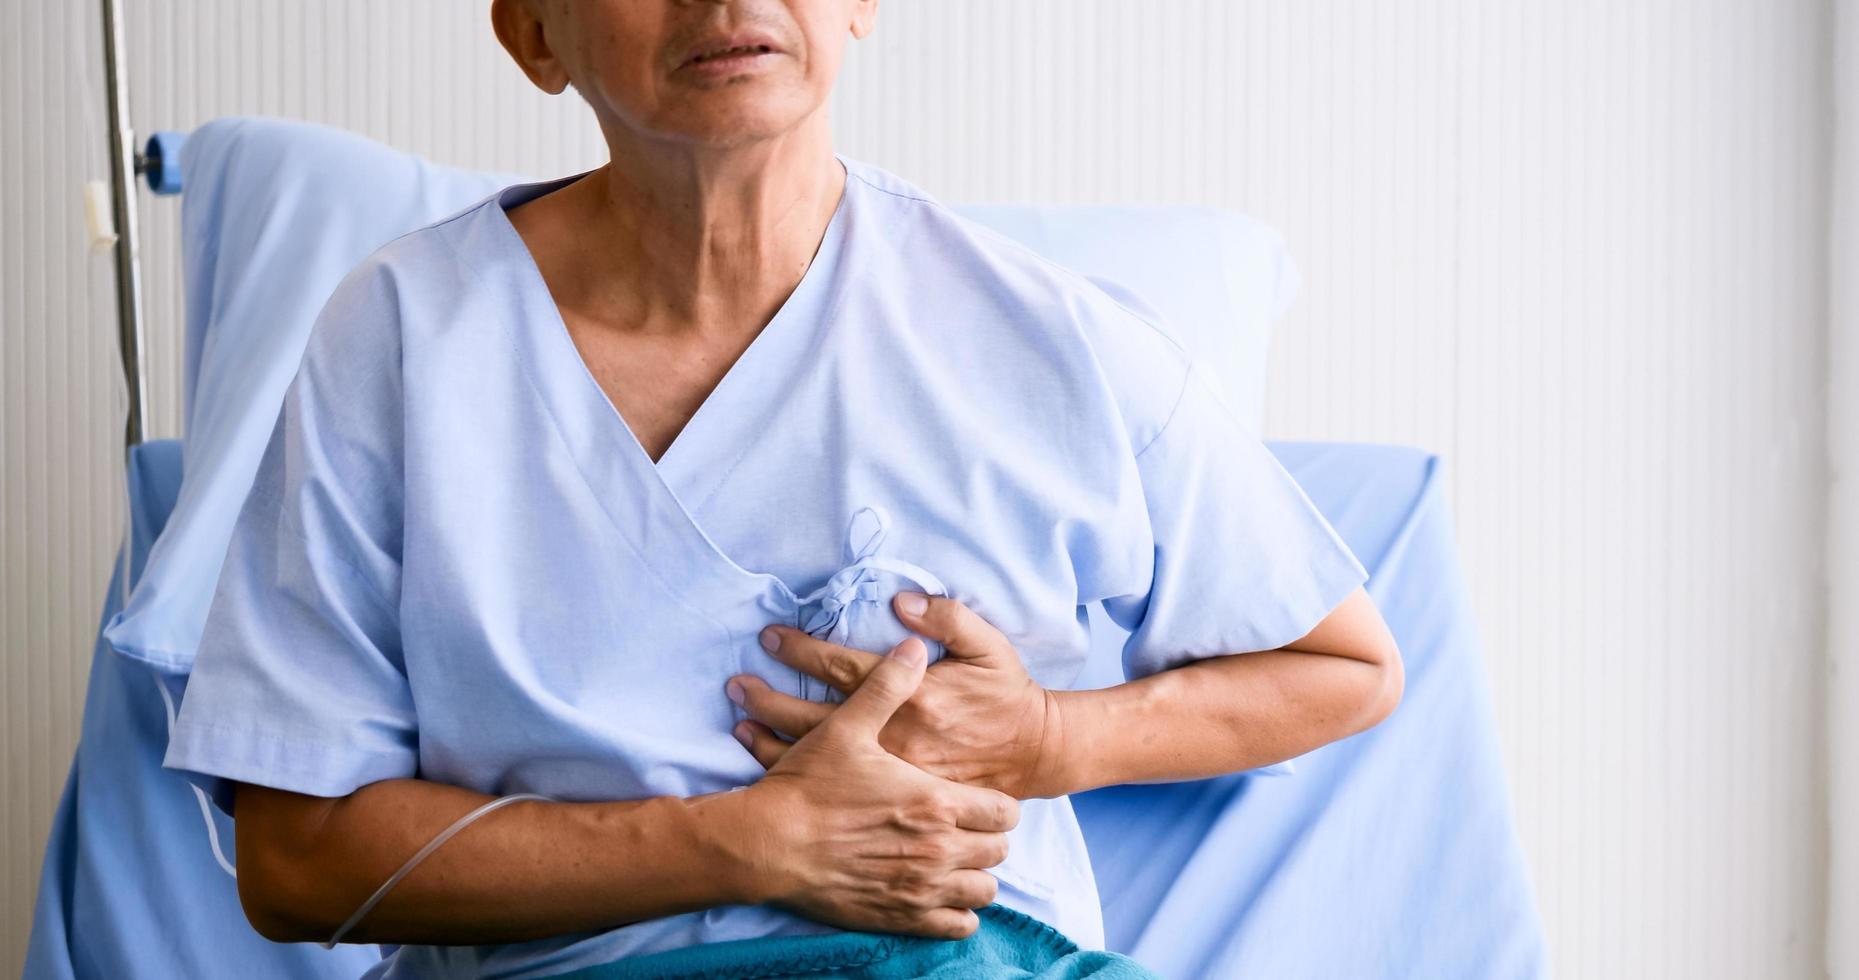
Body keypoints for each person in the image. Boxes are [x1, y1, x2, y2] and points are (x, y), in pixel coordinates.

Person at [164, 1, 1405, 976]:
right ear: (533, 32)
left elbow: (1346, 665)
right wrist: (743, 843)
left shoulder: (1052, 341)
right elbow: (297, 861)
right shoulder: (399, 338)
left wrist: (1051, 737)